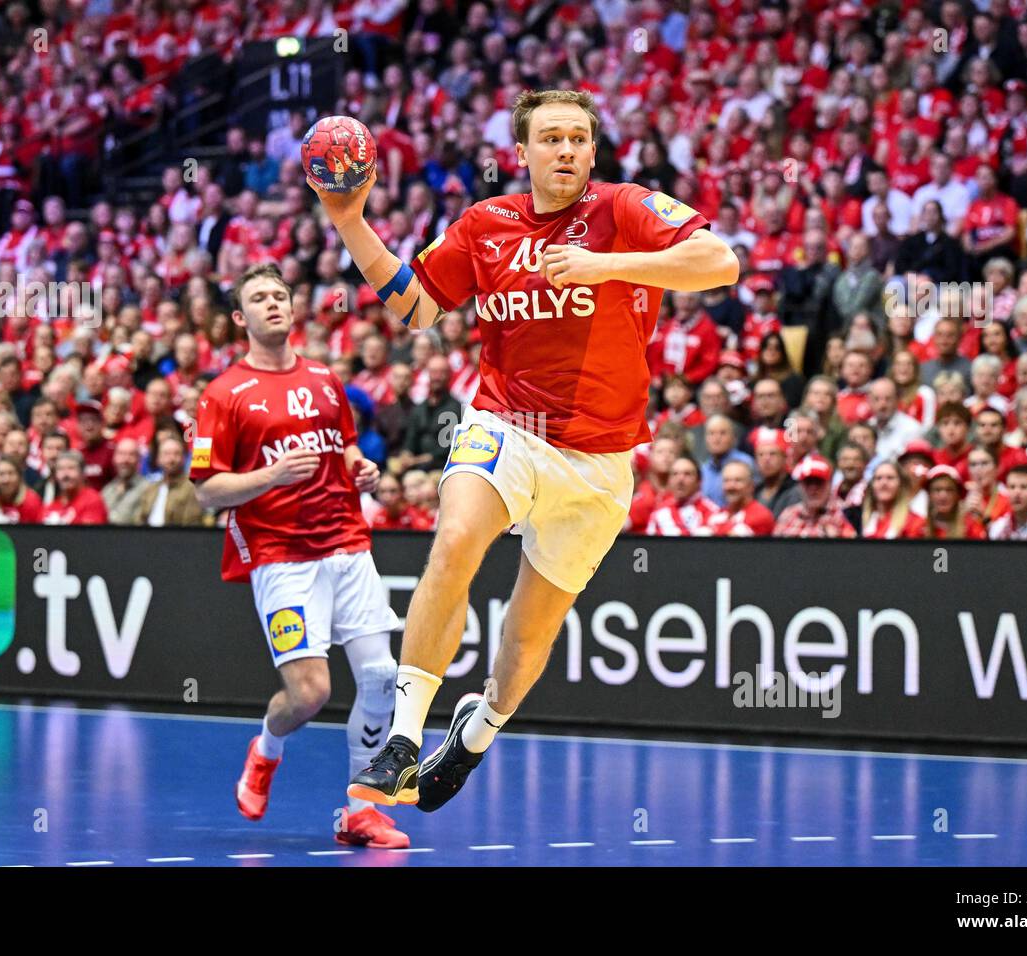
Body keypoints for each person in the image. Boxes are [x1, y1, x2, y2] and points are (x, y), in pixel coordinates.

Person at [309, 88, 738, 810]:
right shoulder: (487, 224)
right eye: (551, 138)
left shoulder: (624, 209)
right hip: (506, 425)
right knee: (455, 540)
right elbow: (415, 307)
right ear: (523, 153)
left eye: (578, 138)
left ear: (593, 152)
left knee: (529, 630)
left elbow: (720, 262)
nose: (565, 149)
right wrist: (349, 222)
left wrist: (606, 266)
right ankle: (404, 742)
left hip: (599, 458)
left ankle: (478, 732)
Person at [191, 263, 408, 849]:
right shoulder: (222, 394)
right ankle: (266, 749)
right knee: (310, 694)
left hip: (347, 542)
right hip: (281, 555)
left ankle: (361, 810)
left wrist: (362, 471)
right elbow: (207, 489)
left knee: (383, 675)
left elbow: (348, 450)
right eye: (258, 298)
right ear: (240, 318)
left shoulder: (324, 380)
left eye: (279, 295)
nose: (272, 304)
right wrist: (272, 474)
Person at [774, 457, 857, 538]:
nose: (813, 489)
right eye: (808, 483)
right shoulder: (788, 514)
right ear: (800, 486)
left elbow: (853, 548)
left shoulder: (845, 513)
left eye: (819, 482)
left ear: (830, 484)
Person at [135, 434, 204, 526]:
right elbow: (139, 521)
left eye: (176, 453)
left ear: (184, 458)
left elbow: (191, 527)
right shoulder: (150, 489)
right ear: (158, 459)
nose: (172, 459)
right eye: (166, 454)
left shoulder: (192, 488)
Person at [644, 455, 718, 535]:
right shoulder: (659, 513)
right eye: (675, 474)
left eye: (687, 474)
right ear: (669, 481)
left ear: (699, 481)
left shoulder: (712, 511)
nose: (680, 480)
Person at [706, 460, 775, 536]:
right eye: (726, 481)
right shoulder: (717, 514)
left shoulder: (761, 515)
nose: (731, 486)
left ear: (751, 486)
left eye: (738, 480)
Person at [860, 461, 926, 539]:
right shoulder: (858, 520)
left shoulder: (915, 522)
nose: (883, 482)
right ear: (872, 485)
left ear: (901, 485)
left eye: (890, 478)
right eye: (878, 478)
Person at [41, 451, 109, 525]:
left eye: (71, 468)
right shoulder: (51, 506)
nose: (65, 474)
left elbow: (89, 534)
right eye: (60, 469)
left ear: (83, 473)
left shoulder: (92, 500)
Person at [922, 465, 986, 539]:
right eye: (937, 489)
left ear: (958, 495)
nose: (943, 496)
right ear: (929, 494)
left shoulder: (971, 526)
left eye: (949, 489)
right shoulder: (919, 526)